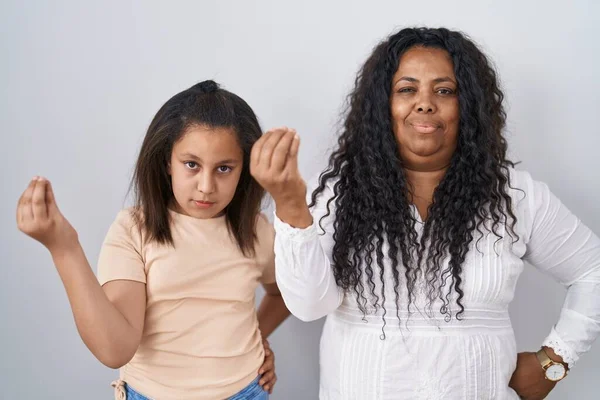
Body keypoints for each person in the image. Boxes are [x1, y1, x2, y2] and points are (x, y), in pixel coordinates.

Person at [250, 28, 600, 399]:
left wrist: (555, 359)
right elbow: (308, 306)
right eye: (407, 89)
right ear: (383, 106)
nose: (425, 103)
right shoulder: (340, 192)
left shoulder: (514, 196)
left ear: (469, 105)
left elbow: (593, 271)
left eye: (444, 90)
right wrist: (290, 205)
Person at [16, 80, 290, 400]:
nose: (206, 186)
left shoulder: (255, 230)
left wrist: (256, 337)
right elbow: (114, 349)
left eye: (224, 168)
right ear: (166, 162)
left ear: (244, 169)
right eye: (191, 165)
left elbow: (283, 292)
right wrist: (63, 248)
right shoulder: (135, 229)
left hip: (246, 392)